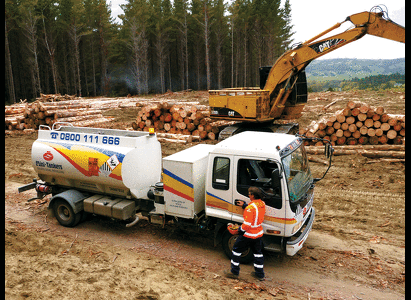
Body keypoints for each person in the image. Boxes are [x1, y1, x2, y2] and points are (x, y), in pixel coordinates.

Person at [224, 186, 266, 281]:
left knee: (236, 250)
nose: (248, 195)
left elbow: (246, 225)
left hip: (249, 235)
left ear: (252, 196)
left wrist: (238, 231)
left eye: (249, 194)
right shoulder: (262, 204)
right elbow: (255, 211)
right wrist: (244, 205)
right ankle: (260, 274)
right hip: (258, 233)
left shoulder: (250, 208)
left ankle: (234, 272)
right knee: (258, 253)